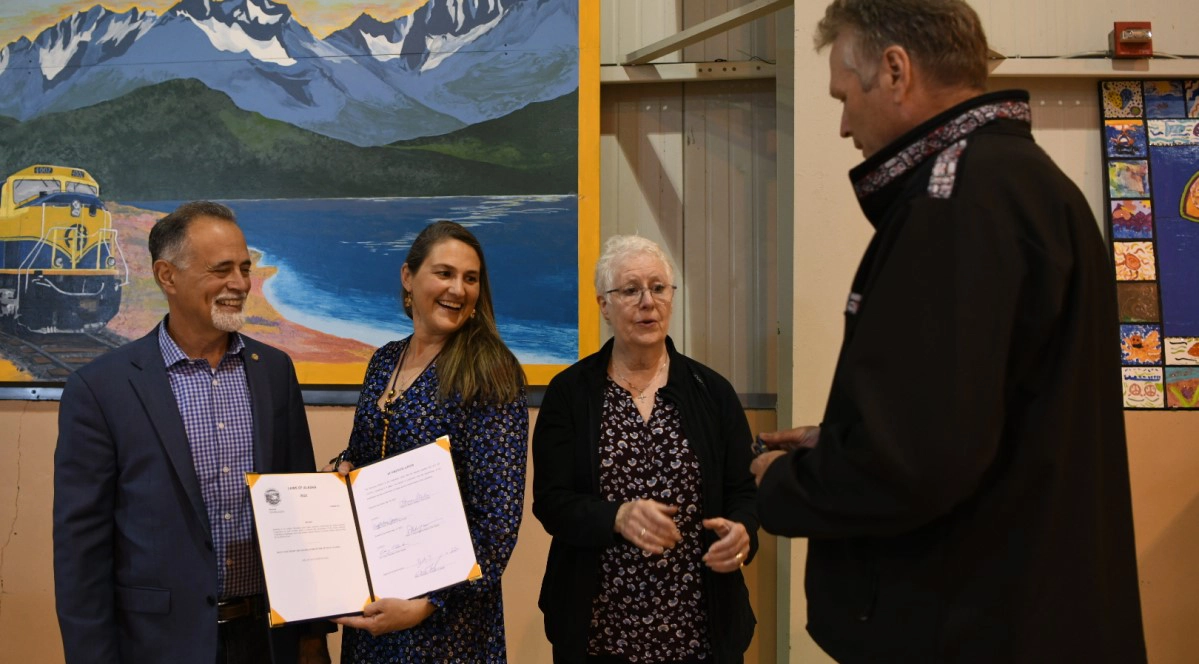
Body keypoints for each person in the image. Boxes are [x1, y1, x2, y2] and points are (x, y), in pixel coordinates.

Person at [750, 1, 1147, 661]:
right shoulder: (1033, 186)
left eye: (845, 97)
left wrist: (779, 485)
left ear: (896, 70)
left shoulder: (953, 204)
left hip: (972, 618)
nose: (845, 125)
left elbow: (916, 462)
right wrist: (843, 438)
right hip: (1037, 605)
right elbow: (979, 413)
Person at [53, 201, 330, 663]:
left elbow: (300, 512)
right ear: (167, 277)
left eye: (244, 268)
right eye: (221, 270)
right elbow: (81, 552)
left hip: (264, 641)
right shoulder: (101, 389)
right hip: (157, 645)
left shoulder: (274, 371)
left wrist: (311, 636)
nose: (240, 284)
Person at [533, 235, 759, 663]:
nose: (648, 302)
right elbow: (551, 502)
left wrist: (744, 532)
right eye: (631, 289)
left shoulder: (711, 391)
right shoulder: (570, 394)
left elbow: (745, 492)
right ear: (604, 305)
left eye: (659, 288)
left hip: (698, 630)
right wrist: (616, 516)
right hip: (599, 631)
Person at [326, 220, 528, 662]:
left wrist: (426, 604)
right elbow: (363, 454)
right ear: (407, 278)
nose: (458, 289)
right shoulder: (384, 361)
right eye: (445, 273)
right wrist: (340, 477)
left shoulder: (491, 372)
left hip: (445, 624)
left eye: (470, 278)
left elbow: (497, 523)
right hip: (375, 609)